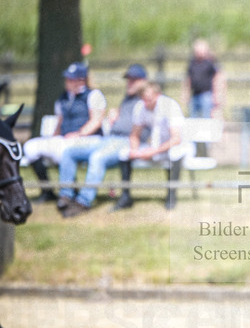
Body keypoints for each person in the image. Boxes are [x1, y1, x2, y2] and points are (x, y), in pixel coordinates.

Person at [58, 64, 148, 218]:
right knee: (69, 152)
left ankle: (83, 201)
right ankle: (66, 195)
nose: (129, 83)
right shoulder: (128, 98)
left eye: (134, 80)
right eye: (128, 80)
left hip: (126, 141)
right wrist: (115, 113)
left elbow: (142, 127)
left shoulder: (147, 99)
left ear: (143, 81)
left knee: (97, 157)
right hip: (109, 138)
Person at [22, 62, 106, 202]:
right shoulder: (63, 98)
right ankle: (47, 190)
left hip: (88, 139)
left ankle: (68, 192)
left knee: (63, 150)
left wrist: (79, 133)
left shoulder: (93, 95)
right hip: (65, 139)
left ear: (81, 80)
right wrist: (53, 138)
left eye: (71, 79)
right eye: (67, 78)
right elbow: (60, 123)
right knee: (30, 147)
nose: (67, 82)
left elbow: (96, 121)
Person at [117, 81, 189, 210]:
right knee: (124, 153)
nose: (146, 103)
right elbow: (134, 135)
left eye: (149, 99)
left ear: (157, 95)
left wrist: (153, 152)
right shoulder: (140, 107)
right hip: (156, 147)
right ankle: (125, 196)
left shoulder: (169, 106)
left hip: (176, 146)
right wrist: (135, 151)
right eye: (144, 99)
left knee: (175, 153)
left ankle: (171, 196)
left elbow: (176, 139)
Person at [181, 38, 225, 118]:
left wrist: (217, 95)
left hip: (207, 95)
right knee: (192, 118)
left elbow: (218, 78)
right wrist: (185, 93)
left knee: (206, 118)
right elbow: (188, 79)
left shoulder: (210, 62)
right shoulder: (192, 62)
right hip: (194, 94)